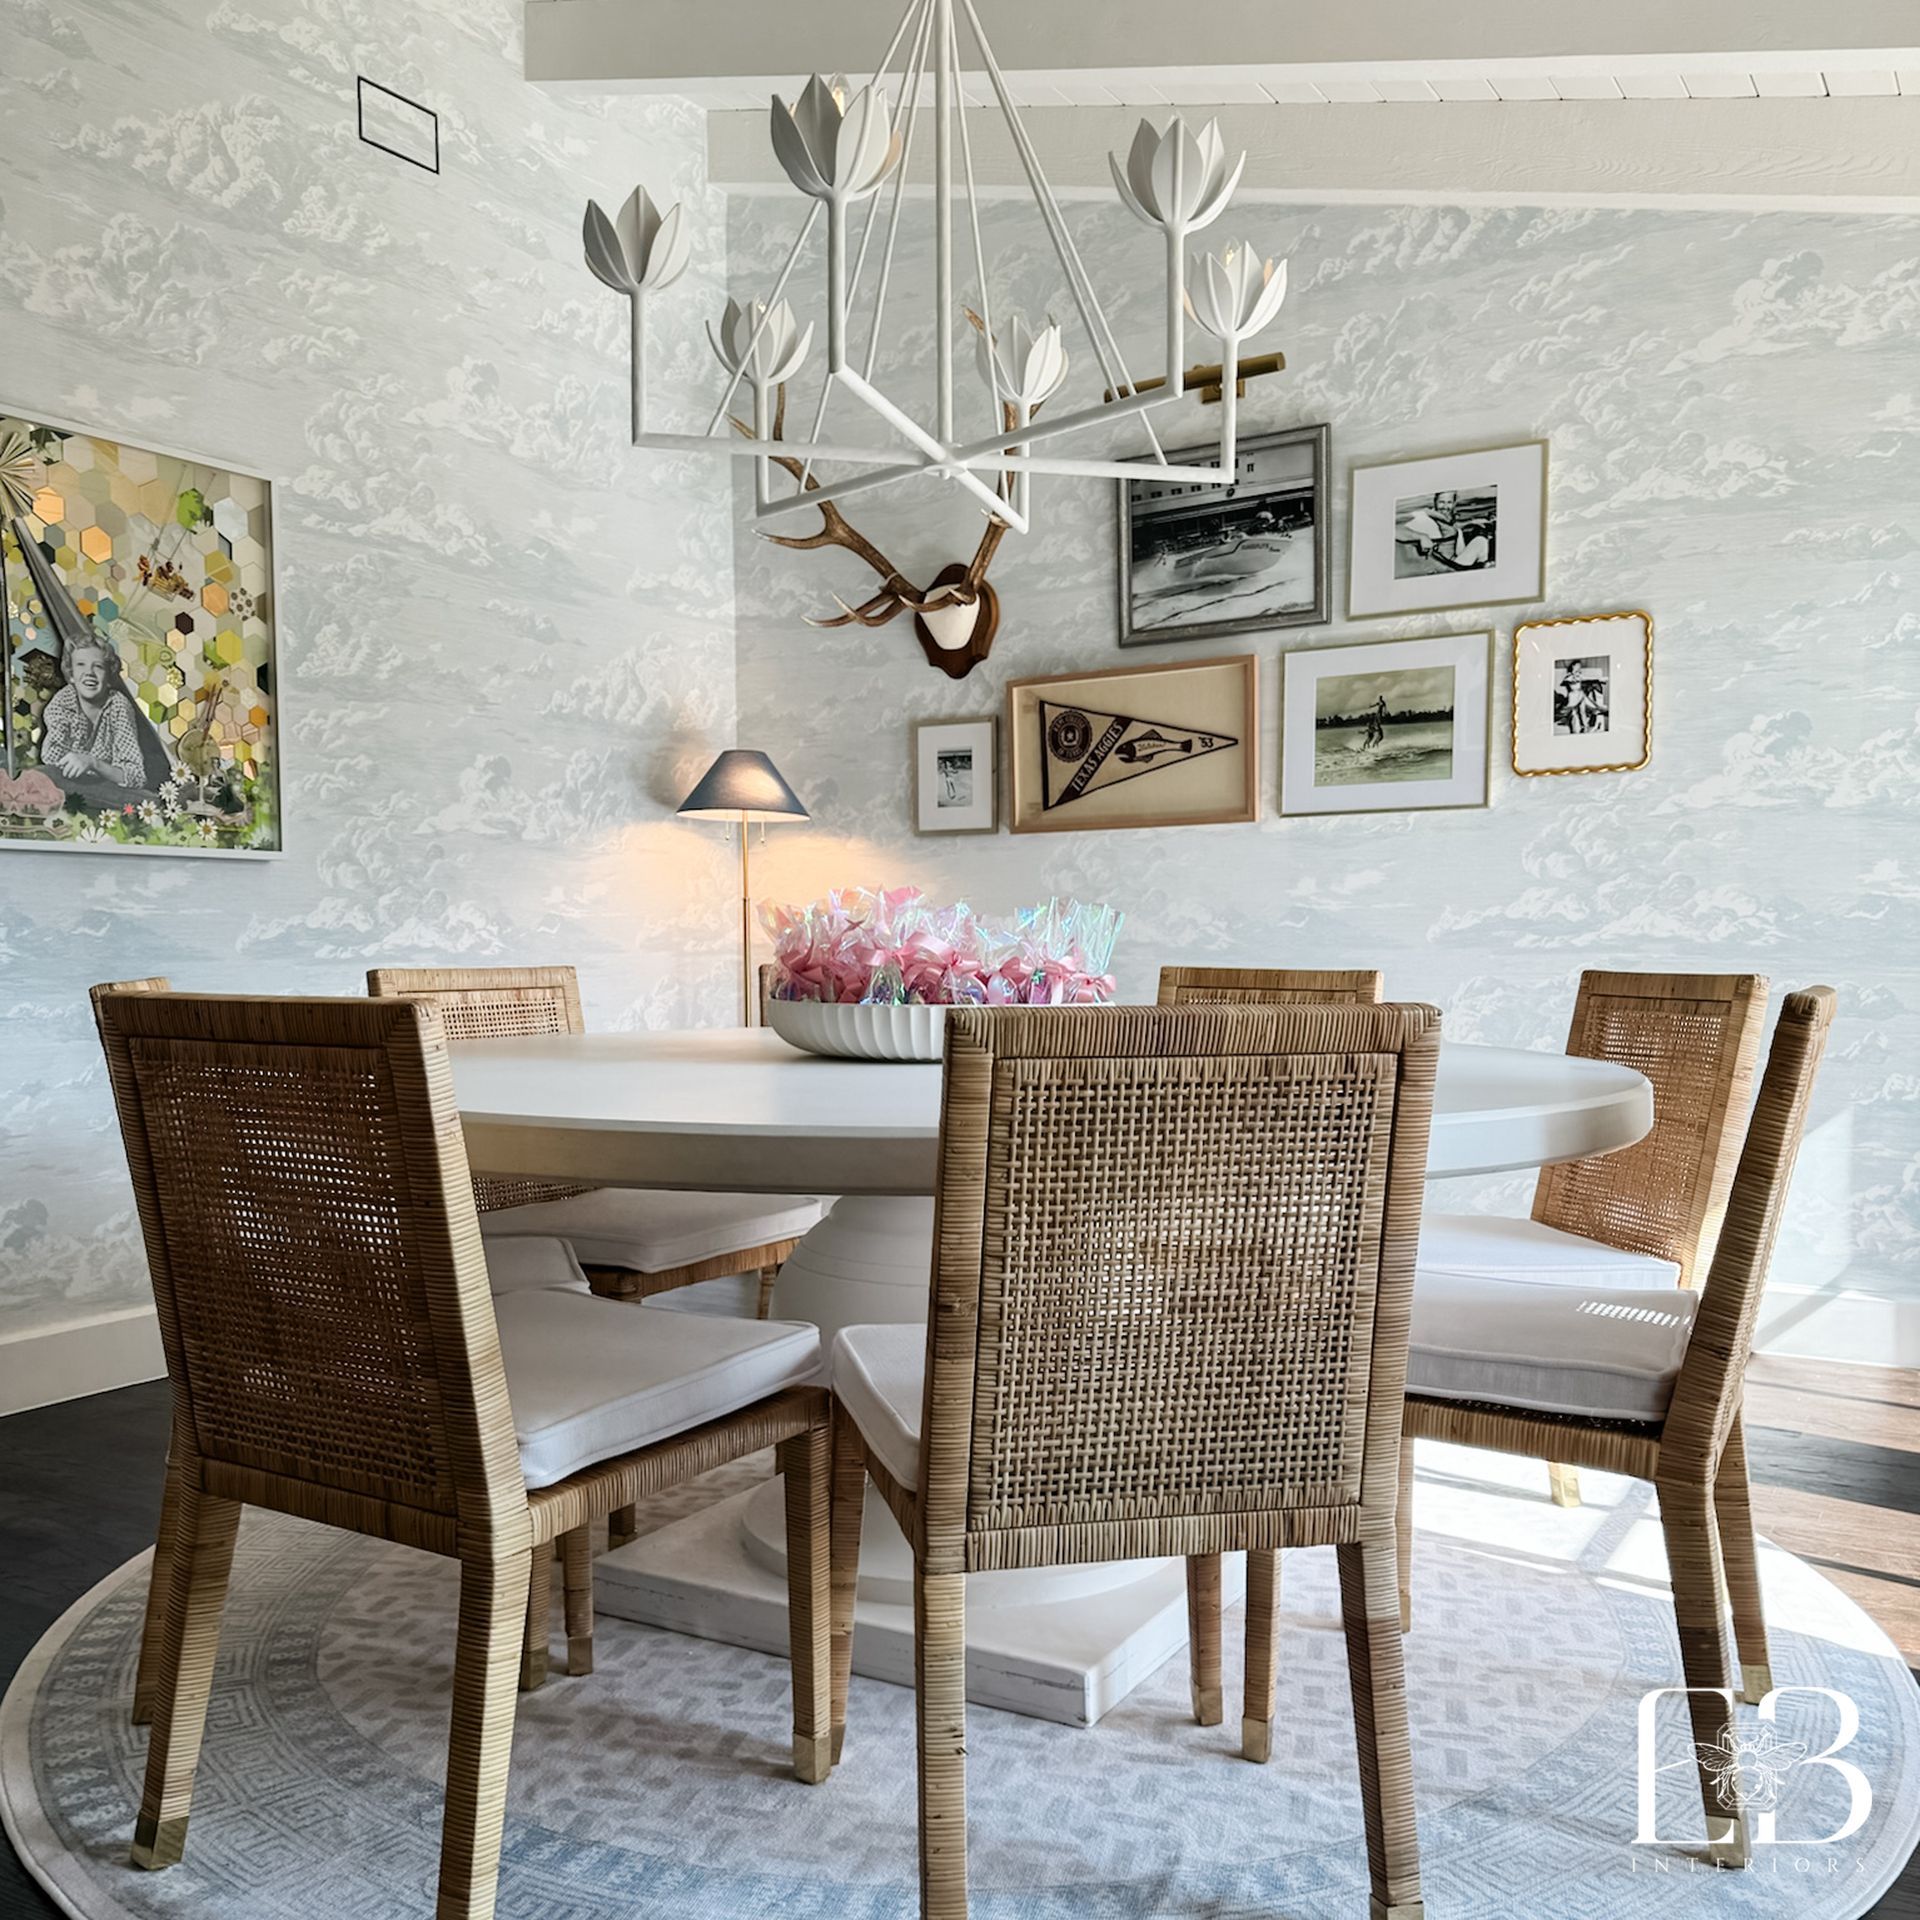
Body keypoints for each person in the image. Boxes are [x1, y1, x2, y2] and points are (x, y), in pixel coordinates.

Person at [38, 635, 147, 790]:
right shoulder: (61, 704)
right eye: (81, 664)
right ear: (71, 675)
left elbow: (136, 776)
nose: (89, 672)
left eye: (98, 666)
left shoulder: (118, 705)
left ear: (108, 677)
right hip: (67, 789)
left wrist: (92, 763)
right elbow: (53, 761)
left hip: (111, 793)